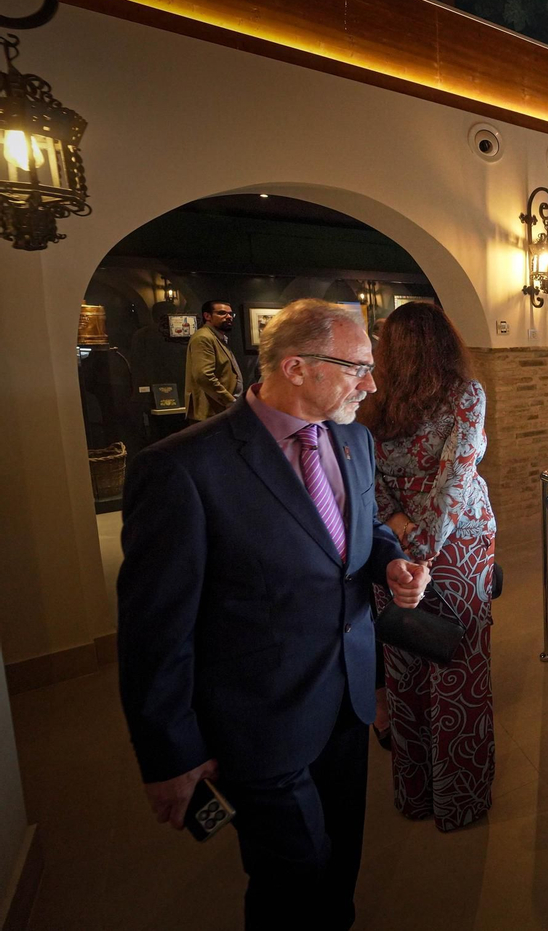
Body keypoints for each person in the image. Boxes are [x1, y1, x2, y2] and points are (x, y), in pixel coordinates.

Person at [118, 298, 431, 930]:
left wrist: (390, 564)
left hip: (346, 699)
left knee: (341, 858)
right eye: (358, 368)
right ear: (296, 367)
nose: (372, 385)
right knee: (292, 876)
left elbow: (363, 527)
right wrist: (170, 753)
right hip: (257, 718)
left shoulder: (354, 440)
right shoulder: (183, 468)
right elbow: (155, 630)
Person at [359, 301, 497, 832]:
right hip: (458, 543)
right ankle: (458, 801)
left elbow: (370, 481)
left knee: (405, 664)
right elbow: (457, 481)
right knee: (458, 667)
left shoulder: (374, 399)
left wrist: (400, 542)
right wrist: (425, 553)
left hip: (390, 545)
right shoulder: (465, 394)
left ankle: (414, 793)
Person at [183, 299, 242, 421]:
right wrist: (229, 401)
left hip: (219, 412)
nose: (229, 317)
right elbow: (204, 375)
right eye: (222, 313)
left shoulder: (216, 337)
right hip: (212, 413)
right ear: (207, 316)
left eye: (231, 314)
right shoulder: (204, 337)